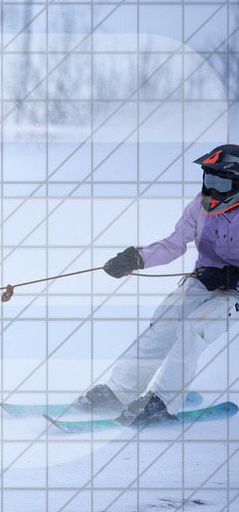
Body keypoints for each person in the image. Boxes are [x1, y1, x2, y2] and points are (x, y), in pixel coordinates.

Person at [75, 144, 239, 425]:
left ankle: (163, 401)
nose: (212, 189)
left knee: (193, 329)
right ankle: (120, 391)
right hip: (203, 281)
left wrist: (232, 276)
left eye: (220, 181)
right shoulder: (199, 208)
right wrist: (135, 259)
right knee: (164, 322)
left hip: (234, 293)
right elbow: (174, 245)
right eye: (208, 179)